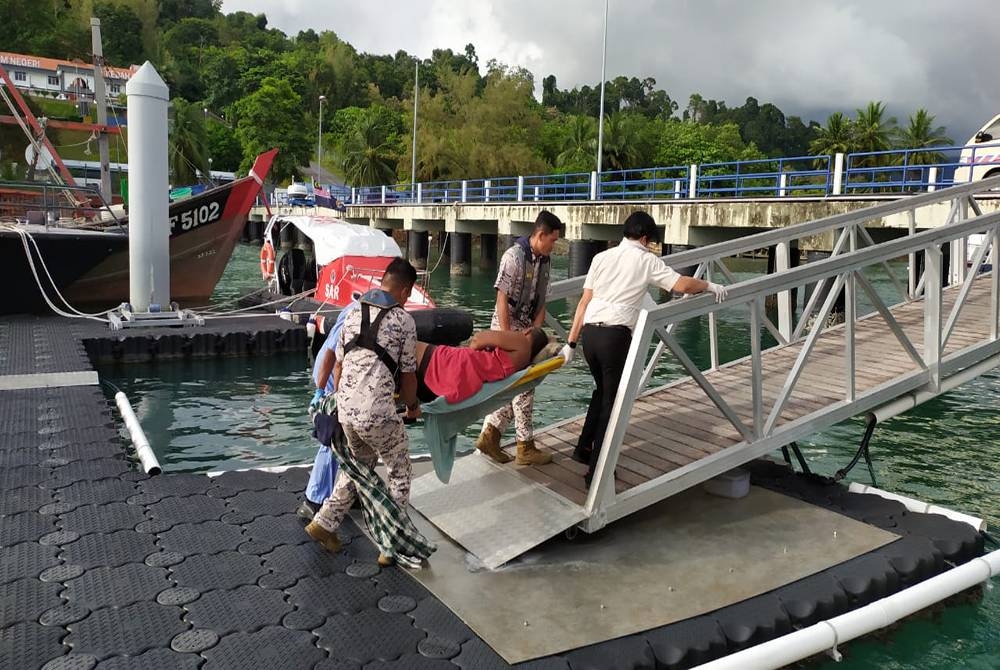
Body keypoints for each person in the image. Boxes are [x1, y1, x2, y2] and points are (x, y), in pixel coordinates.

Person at [562, 211, 728, 488]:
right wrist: (710, 285)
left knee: (602, 392)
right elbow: (682, 284)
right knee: (611, 403)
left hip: (590, 335)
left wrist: (571, 343)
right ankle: (597, 472)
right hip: (614, 337)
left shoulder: (601, 258)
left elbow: (584, 303)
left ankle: (583, 449)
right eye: (651, 241)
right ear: (645, 238)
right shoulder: (646, 260)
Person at [305, 257, 422, 562]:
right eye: (408, 294)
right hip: (378, 412)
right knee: (400, 469)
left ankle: (324, 523)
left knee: (358, 466)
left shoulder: (352, 311)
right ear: (405, 291)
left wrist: (338, 402)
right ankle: (391, 545)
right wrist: (412, 407)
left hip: (345, 410)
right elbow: (408, 377)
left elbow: (339, 366)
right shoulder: (404, 321)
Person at [474, 210, 565, 466]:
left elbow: (542, 302)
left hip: (527, 329)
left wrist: (535, 332)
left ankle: (490, 435)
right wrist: (507, 337)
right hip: (507, 328)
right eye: (553, 240)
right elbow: (501, 299)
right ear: (540, 235)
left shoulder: (544, 262)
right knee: (523, 386)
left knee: (520, 385)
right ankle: (524, 446)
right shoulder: (513, 257)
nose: (554, 246)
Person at [296, 301, 359, 521]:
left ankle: (345, 489)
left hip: (347, 379)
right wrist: (323, 392)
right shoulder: (356, 313)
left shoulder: (363, 309)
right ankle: (313, 499)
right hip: (332, 377)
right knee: (332, 437)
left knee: (351, 437)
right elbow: (333, 355)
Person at [415, 327, 551, 405]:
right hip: (459, 385)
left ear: (528, 331)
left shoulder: (522, 342)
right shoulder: (522, 363)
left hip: (452, 365)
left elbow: (478, 339)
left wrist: (474, 348)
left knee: (407, 346)